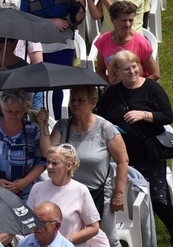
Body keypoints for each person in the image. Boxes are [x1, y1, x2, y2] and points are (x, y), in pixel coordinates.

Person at [38, 86, 129, 246]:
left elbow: (123, 161)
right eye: (73, 99)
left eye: (81, 100)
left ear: (93, 103)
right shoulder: (63, 125)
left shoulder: (105, 128)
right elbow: (47, 152)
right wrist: (43, 125)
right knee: (71, 236)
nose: (75, 103)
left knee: (108, 238)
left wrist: (119, 194)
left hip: (99, 193)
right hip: (69, 193)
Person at [96, 50, 173, 238]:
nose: (132, 71)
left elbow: (168, 115)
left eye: (134, 66)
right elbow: (100, 117)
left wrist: (145, 115)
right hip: (121, 155)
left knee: (158, 199)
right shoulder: (112, 92)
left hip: (149, 154)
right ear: (117, 72)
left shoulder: (151, 88)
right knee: (125, 200)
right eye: (126, 69)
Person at [27, 144, 109, 246]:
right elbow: (28, 222)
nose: (49, 166)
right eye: (48, 162)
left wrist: (64, 242)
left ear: (68, 166)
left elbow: (93, 227)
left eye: (55, 163)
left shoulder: (80, 190)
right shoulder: (37, 188)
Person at [0, 91, 46, 201]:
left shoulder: (32, 129)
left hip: (29, 191)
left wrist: (25, 182)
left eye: (18, 111)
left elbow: (43, 160)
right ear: (2, 109)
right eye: (9, 111)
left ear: (24, 110)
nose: (13, 115)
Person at [94, 1, 158, 83]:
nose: (127, 24)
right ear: (112, 20)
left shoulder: (140, 42)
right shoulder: (103, 40)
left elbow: (155, 74)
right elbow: (100, 71)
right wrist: (110, 88)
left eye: (131, 20)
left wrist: (139, 87)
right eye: (124, 21)